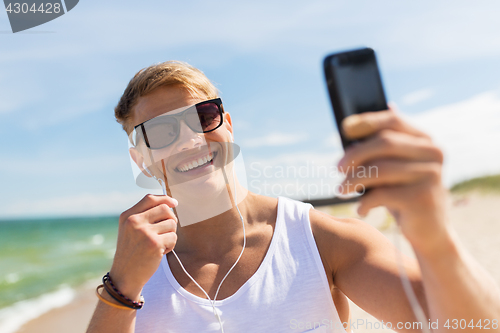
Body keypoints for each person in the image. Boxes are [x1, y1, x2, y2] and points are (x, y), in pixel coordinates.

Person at [86, 61, 500, 333]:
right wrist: (121, 287)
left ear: (227, 125)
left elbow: (470, 327)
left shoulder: (318, 240)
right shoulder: (134, 276)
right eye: (160, 132)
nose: (191, 139)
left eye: (203, 116)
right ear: (140, 159)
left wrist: (436, 238)